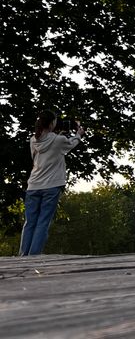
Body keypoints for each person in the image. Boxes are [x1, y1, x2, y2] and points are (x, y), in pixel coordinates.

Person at [19, 110, 84, 256]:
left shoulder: (33, 140)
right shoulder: (58, 140)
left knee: (29, 223)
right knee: (43, 222)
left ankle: (23, 255)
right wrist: (78, 134)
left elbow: (36, 159)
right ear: (51, 123)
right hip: (52, 185)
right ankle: (33, 256)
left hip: (33, 185)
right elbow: (71, 144)